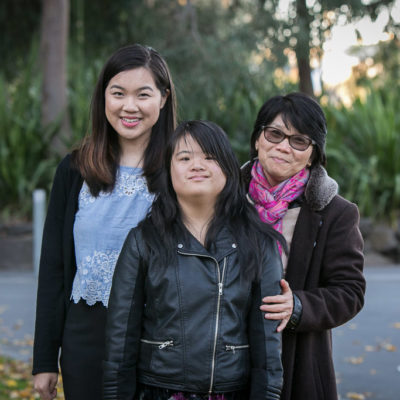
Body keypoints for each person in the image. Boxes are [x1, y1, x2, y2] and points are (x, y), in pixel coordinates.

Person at [32, 44, 177, 400]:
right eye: (118, 93)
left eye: (143, 94)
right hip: (86, 338)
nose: (129, 106)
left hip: (161, 339)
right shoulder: (74, 169)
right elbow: (54, 266)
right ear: (103, 98)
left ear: (163, 98)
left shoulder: (181, 168)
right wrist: (44, 359)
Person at [103, 120, 284, 400]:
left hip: (231, 392)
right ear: (169, 171)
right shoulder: (143, 241)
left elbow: (268, 349)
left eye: (209, 157)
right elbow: (120, 339)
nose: (197, 165)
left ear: (227, 169)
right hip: (159, 392)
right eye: (184, 158)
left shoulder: (259, 243)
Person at [241, 92, 366, 400]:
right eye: (275, 134)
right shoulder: (223, 198)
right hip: (221, 358)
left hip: (296, 365)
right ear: (258, 138)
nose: (284, 146)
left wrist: (297, 306)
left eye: (299, 141)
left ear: (312, 154)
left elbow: (350, 291)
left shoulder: (335, 213)